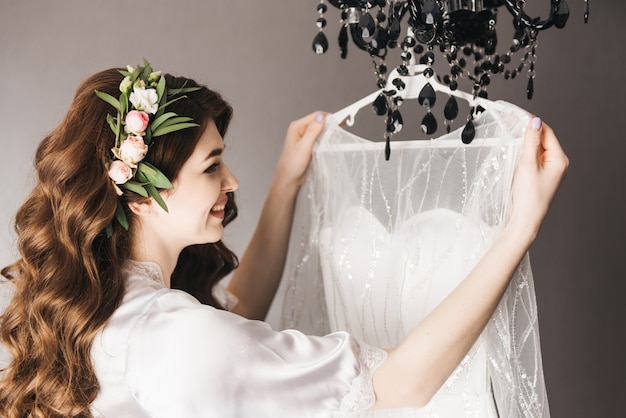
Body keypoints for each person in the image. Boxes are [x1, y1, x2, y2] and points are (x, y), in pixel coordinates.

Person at [0, 62, 568, 418]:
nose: (231, 182)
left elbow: (235, 309)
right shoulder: (175, 335)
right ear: (142, 193)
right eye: (212, 166)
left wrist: (286, 183)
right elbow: (399, 385)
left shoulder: (108, 309)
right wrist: (521, 227)